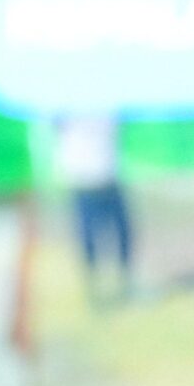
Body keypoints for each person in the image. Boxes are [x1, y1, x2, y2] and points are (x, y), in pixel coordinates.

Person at [56, 114, 131, 303]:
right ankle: (94, 287)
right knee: (89, 234)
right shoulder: (67, 107)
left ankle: (123, 282)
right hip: (83, 177)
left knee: (122, 231)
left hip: (106, 173)